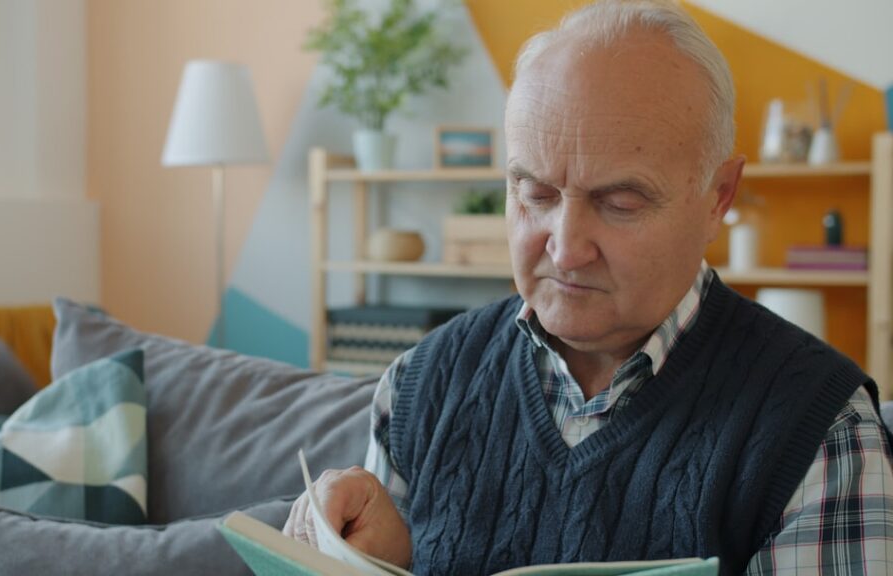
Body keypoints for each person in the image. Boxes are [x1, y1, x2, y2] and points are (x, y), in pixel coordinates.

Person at [284, 1, 893, 574]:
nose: (565, 247)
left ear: (719, 197)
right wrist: (393, 559)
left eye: (621, 201)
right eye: (535, 194)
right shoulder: (418, 388)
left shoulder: (824, 431)